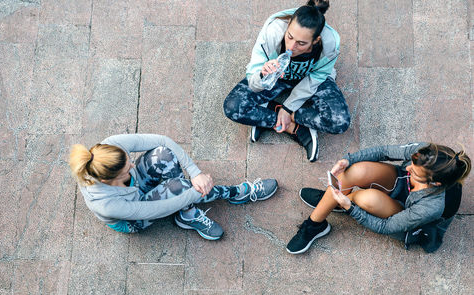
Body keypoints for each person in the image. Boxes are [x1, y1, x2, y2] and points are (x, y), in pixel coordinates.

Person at [69, 134, 278, 240]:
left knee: (162, 154)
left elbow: (163, 141)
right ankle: (236, 193)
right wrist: (193, 192)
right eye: (127, 169)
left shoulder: (108, 149)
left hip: (135, 192)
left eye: (129, 160)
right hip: (133, 217)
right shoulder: (105, 204)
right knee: (177, 188)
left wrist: (195, 174)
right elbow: (158, 209)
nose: (133, 165)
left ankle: (187, 214)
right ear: (108, 180)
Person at [286, 142, 471, 254]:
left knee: (366, 199)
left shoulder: (432, 206)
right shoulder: (426, 154)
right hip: (404, 189)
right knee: (357, 170)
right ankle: (316, 223)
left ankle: (338, 203)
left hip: (412, 223)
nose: (407, 168)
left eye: (415, 173)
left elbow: (386, 227)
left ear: (435, 183)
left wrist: (351, 208)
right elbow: (384, 151)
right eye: (412, 165)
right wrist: (348, 160)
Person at [223, 0, 350, 162]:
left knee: (340, 122)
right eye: (289, 37)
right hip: (277, 78)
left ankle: (266, 114)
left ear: (316, 40)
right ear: (288, 24)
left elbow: (316, 78)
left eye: (301, 43)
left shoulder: (330, 45)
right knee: (233, 107)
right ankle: (294, 128)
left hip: (309, 79)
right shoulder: (273, 32)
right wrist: (262, 74)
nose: (291, 47)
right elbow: (253, 80)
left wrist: (289, 108)